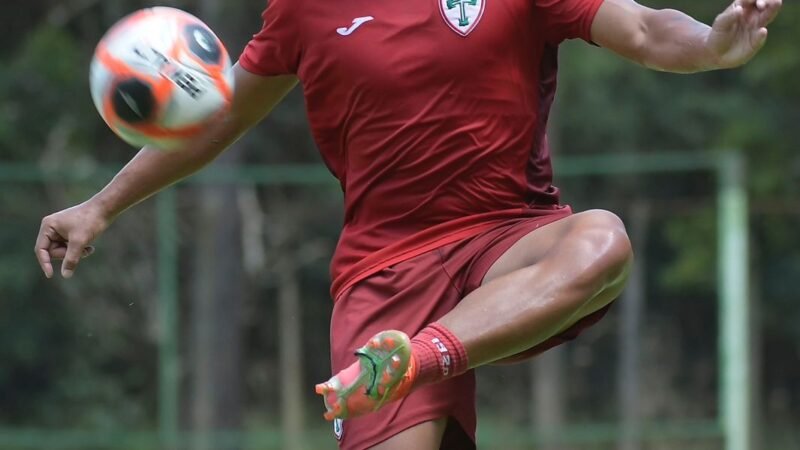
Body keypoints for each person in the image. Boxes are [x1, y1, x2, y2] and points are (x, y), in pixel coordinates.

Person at [35, 0, 781, 448]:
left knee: (603, 239)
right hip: (383, 278)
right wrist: (100, 205)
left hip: (506, 240)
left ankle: (417, 360)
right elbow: (221, 114)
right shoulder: (303, 9)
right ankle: (406, 358)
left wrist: (715, 45)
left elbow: (648, 30)